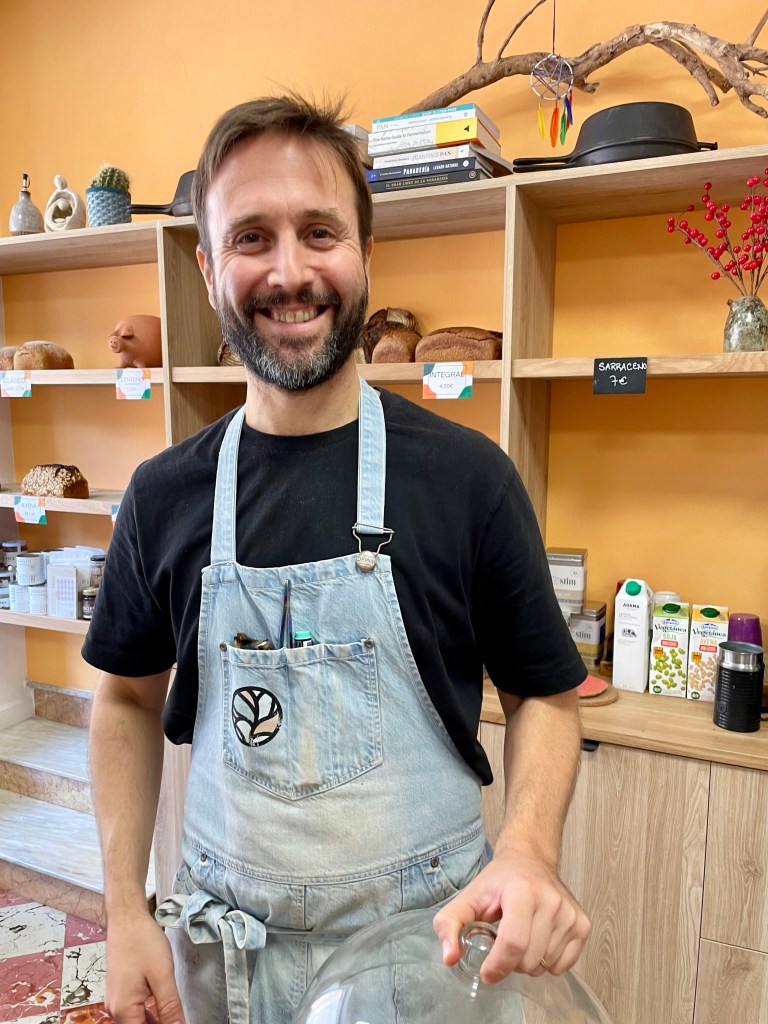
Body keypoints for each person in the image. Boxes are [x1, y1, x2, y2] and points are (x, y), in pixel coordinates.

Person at [85, 92, 590, 1024]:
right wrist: (124, 910)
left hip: (429, 955)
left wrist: (527, 850)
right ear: (205, 267)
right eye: (250, 238)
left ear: (365, 254)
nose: (290, 271)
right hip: (223, 962)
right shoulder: (161, 498)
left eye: (320, 232)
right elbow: (123, 695)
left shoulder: (468, 479)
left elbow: (543, 694)